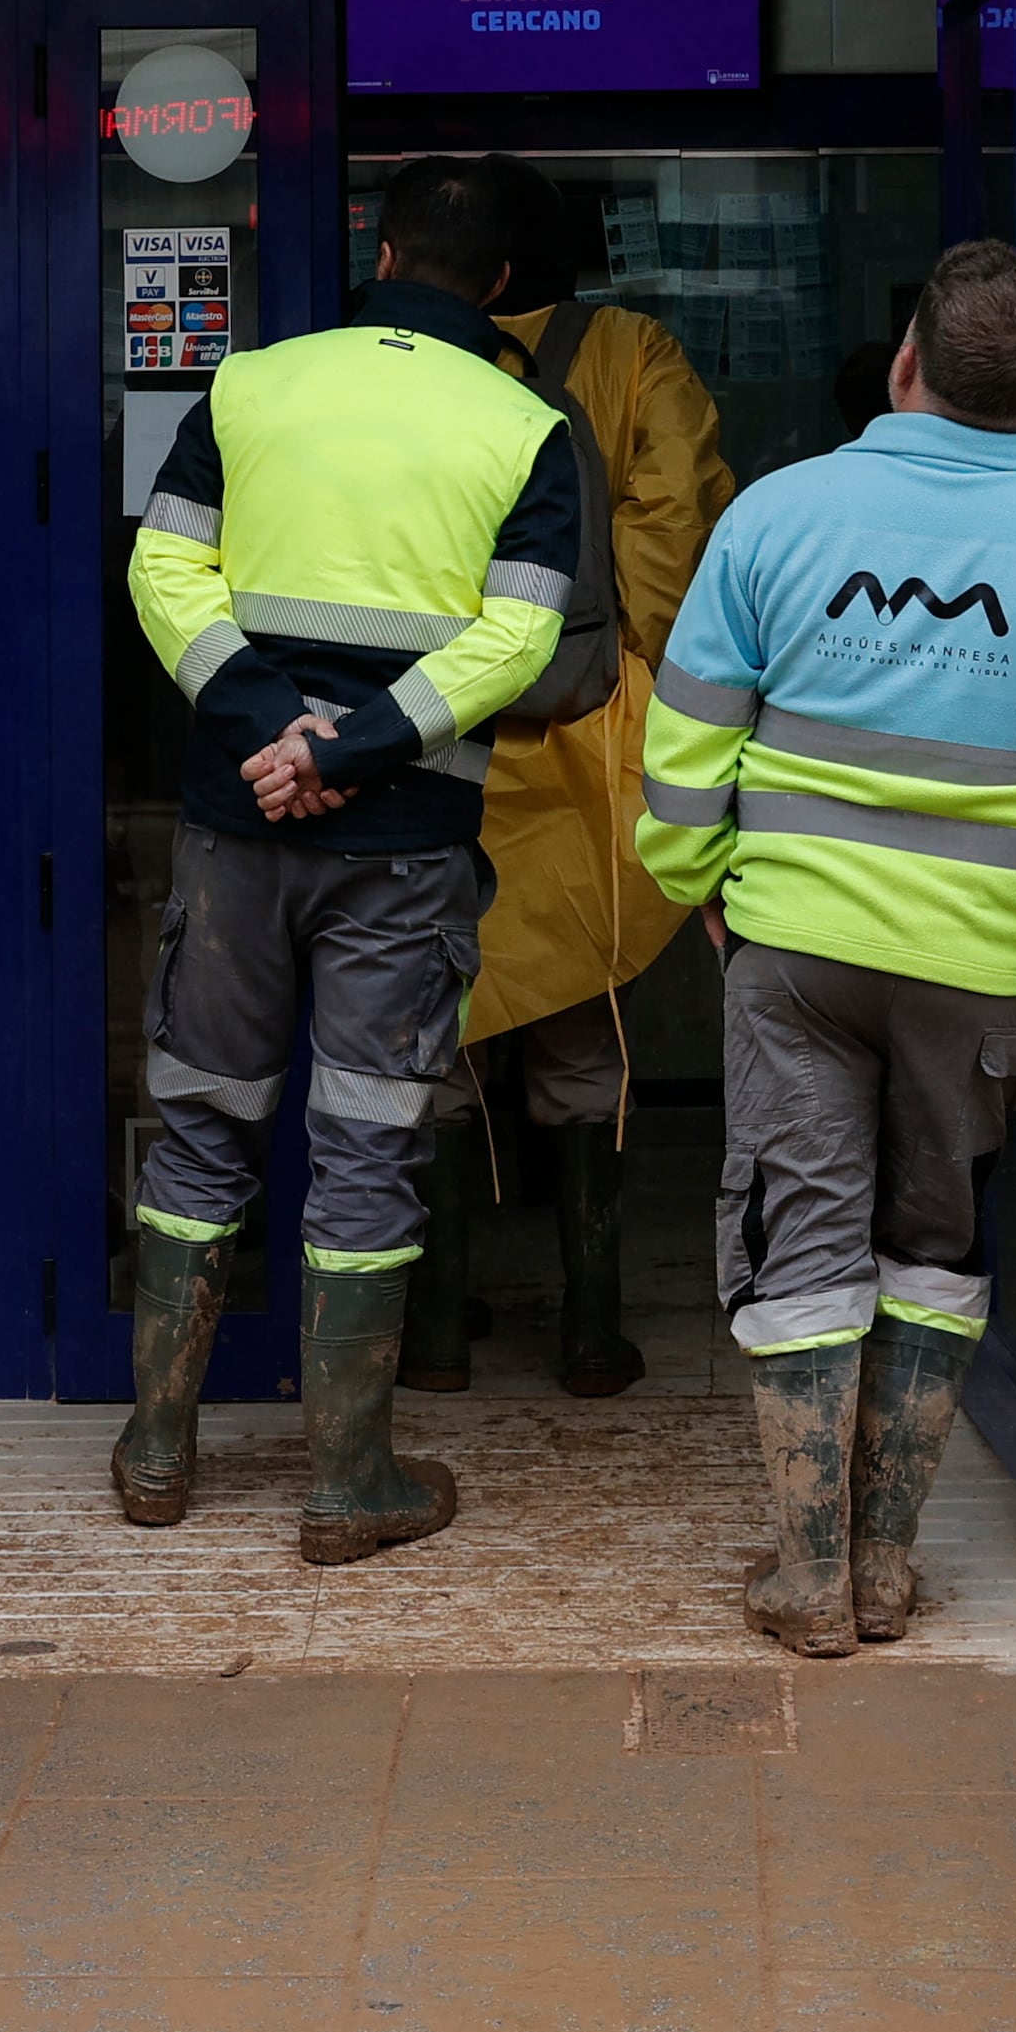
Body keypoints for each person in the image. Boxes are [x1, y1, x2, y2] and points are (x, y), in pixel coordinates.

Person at [639, 239, 1016, 1655]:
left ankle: (804, 1579)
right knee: (934, 1242)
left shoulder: (778, 517)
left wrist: (697, 880)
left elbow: (689, 741)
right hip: (978, 961)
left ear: (909, 355)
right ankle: (884, 1567)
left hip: (792, 946)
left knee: (800, 1240)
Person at [117, 155, 587, 1562]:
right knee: (368, 1139)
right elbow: (521, 636)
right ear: (504, 282)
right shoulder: (527, 423)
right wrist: (357, 743)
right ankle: (349, 1480)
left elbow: (162, 569)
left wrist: (274, 727)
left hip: (234, 824)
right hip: (402, 840)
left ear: (378, 250)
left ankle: (156, 1448)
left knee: (202, 1117)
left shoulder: (252, 385)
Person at [405, 158, 736, 1402]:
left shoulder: (406, 362)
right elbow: (672, 522)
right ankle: (591, 1330)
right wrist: (630, 672)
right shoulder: (633, 349)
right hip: (590, 733)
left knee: (424, 1025)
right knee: (582, 1026)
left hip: (428, 730)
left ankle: (433, 1330)